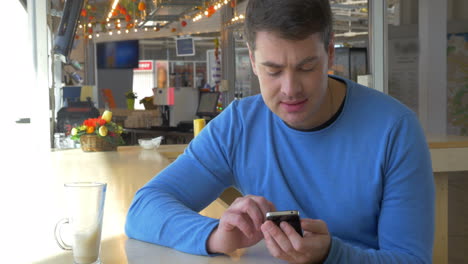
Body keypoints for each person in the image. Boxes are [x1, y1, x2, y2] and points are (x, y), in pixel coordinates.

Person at [125, 0, 435, 263]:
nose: (290, 90)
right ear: (253, 60)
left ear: (330, 53)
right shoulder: (238, 125)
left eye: (306, 67)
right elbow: (144, 208)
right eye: (273, 70)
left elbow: (410, 258)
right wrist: (215, 235)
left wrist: (331, 254)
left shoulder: (395, 130)